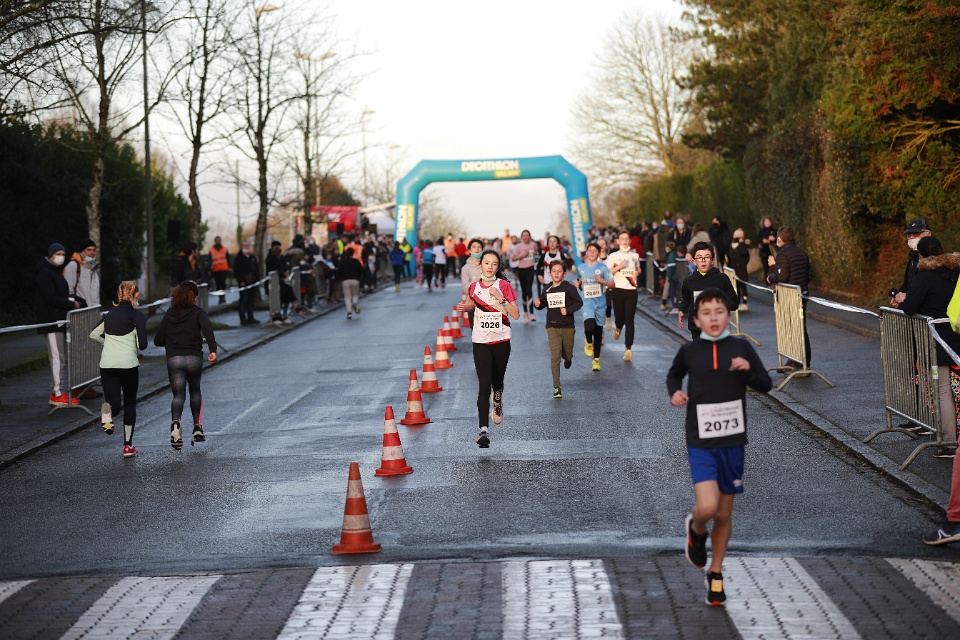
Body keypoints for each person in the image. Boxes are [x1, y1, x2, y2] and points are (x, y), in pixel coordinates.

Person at [666, 288, 772, 606]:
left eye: (719, 312)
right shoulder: (689, 350)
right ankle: (696, 528)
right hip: (700, 439)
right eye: (706, 313)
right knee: (708, 507)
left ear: (729, 316)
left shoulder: (741, 347)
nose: (713, 318)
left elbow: (765, 384)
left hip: (733, 441)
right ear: (697, 320)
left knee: (724, 514)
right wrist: (675, 393)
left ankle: (715, 573)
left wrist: (748, 371)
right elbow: (673, 376)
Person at [899, 237, 959, 458]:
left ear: (922, 255)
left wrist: (902, 299)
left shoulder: (924, 275)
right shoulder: (956, 271)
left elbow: (910, 307)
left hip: (937, 340)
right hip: (957, 335)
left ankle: (949, 443)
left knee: (943, 391)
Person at [459, 250, 520, 448]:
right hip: (481, 342)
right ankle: (483, 431)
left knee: (497, 381)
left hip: (501, 340)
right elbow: (472, 305)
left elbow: (516, 314)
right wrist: (466, 307)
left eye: (494, 264)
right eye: (487, 263)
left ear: (498, 266)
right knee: (484, 386)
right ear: (481, 265)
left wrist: (500, 298)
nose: (490, 267)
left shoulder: (504, 286)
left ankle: (498, 400)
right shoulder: (473, 286)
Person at [154, 281, 217, 451]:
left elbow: (157, 340)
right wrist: (212, 350)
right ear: (195, 298)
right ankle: (197, 427)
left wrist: (171, 341)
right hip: (194, 357)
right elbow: (208, 330)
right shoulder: (199, 313)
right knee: (195, 390)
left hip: (174, 358)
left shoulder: (169, 314)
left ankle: (176, 425)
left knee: (178, 394)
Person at [89, 281, 147, 458]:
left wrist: (108, 342)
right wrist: (133, 342)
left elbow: (93, 334)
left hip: (107, 364)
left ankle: (107, 414)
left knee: (113, 402)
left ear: (119, 294)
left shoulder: (109, 315)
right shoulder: (137, 315)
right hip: (128, 364)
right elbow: (142, 345)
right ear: (135, 294)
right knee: (129, 402)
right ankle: (128, 446)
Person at [36, 243, 80, 407]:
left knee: (60, 358)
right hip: (52, 321)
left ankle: (58, 391)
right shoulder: (45, 273)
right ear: (51, 254)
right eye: (59, 253)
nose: (61, 256)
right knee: (57, 358)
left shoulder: (53, 272)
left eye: (63, 253)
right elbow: (51, 297)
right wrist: (71, 304)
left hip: (58, 321)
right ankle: (57, 393)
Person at [534, 260, 583, 398]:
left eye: (559, 271)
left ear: (564, 274)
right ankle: (556, 386)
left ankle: (568, 359)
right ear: (549, 273)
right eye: (554, 271)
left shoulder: (569, 288)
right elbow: (543, 303)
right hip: (552, 326)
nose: (556, 274)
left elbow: (579, 302)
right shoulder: (547, 288)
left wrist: (568, 310)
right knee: (555, 356)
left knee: (567, 354)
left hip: (568, 326)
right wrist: (538, 304)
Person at [766, 226, 813, 365]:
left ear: (779, 239)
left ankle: (799, 362)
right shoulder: (802, 252)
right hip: (802, 295)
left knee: (792, 329)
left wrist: (770, 276)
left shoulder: (782, 254)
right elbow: (809, 275)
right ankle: (797, 360)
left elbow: (782, 276)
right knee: (800, 327)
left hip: (790, 297)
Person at [679, 242, 740, 341]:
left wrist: (720, 306)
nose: (703, 261)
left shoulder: (722, 279)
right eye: (699, 257)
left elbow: (734, 302)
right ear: (694, 261)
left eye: (707, 257)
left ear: (712, 260)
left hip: (717, 327)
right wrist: (681, 310)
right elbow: (686, 299)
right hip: (697, 328)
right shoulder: (689, 281)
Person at [605, 230, 642, 361]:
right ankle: (618, 327)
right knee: (620, 318)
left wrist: (637, 272)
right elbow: (607, 273)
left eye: (627, 239)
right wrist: (619, 267)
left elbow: (638, 268)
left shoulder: (635, 255)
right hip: (618, 290)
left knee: (629, 319)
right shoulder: (613, 256)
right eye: (622, 239)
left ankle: (628, 349)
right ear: (618, 241)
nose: (625, 241)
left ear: (629, 241)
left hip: (631, 290)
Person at [577, 242, 613, 372]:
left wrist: (602, 281)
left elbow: (612, 284)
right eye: (590, 250)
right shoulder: (581, 267)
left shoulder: (603, 268)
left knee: (598, 331)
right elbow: (579, 281)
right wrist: (578, 284)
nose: (592, 253)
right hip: (587, 303)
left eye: (595, 251)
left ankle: (596, 359)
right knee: (589, 327)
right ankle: (588, 341)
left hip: (600, 303)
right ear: (586, 253)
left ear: (599, 253)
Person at [890, 218, 932, 308]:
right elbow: (908, 284)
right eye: (909, 234)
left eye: (916, 234)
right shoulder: (913, 257)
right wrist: (898, 296)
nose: (912, 237)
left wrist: (908, 297)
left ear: (928, 234)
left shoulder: (934, 260)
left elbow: (930, 290)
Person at [62, 238, 101, 309]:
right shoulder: (73, 266)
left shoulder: (94, 269)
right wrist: (73, 306)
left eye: (94, 250)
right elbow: (68, 290)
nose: (92, 252)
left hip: (94, 311)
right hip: (79, 312)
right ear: (82, 251)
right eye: (89, 250)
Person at [510, 230, 539, 323]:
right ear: (521, 237)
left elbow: (537, 257)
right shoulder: (518, 246)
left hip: (530, 269)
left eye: (527, 235)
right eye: (524, 236)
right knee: (524, 291)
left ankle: (532, 314)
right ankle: (525, 313)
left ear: (530, 236)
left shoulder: (533, 244)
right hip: (522, 270)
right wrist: (522, 255)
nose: (526, 237)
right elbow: (513, 259)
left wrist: (535, 254)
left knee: (529, 290)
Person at [232, 242, 260, 325]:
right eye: (245, 246)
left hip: (253, 282)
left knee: (251, 300)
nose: (247, 248)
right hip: (244, 283)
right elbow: (237, 271)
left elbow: (256, 268)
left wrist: (256, 278)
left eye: (248, 246)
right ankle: (242, 318)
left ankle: (250, 316)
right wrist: (241, 281)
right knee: (244, 300)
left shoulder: (252, 257)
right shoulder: (238, 259)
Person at [726, 229, 751, 311]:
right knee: (737, 287)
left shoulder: (742, 246)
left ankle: (744, 303)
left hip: (741, 270)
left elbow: (745, 255)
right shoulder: (732, 246)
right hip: (736, 269)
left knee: (743, 287)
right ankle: (739, 302)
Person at [338, 247, 364, 319]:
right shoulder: (356, 261)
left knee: (347, 297)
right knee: (355, 294)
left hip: (345, 280)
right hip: (355, 279)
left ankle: (349, 312)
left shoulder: (343, 262)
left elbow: (339, 271)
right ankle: (355, 303)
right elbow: (361, 270)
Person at [207, 236, 230, 304]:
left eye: (219, 240)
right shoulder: (211, 250)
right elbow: (209, 260)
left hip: (224, 268)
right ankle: (220, 298)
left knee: (222, 282)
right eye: (217, 240)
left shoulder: (225, 249)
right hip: (216, 269)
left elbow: (228, 258)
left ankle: (223, 296)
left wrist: (230, 266)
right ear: (215, 241)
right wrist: (210, 267)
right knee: (218, 284)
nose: (218, 242)